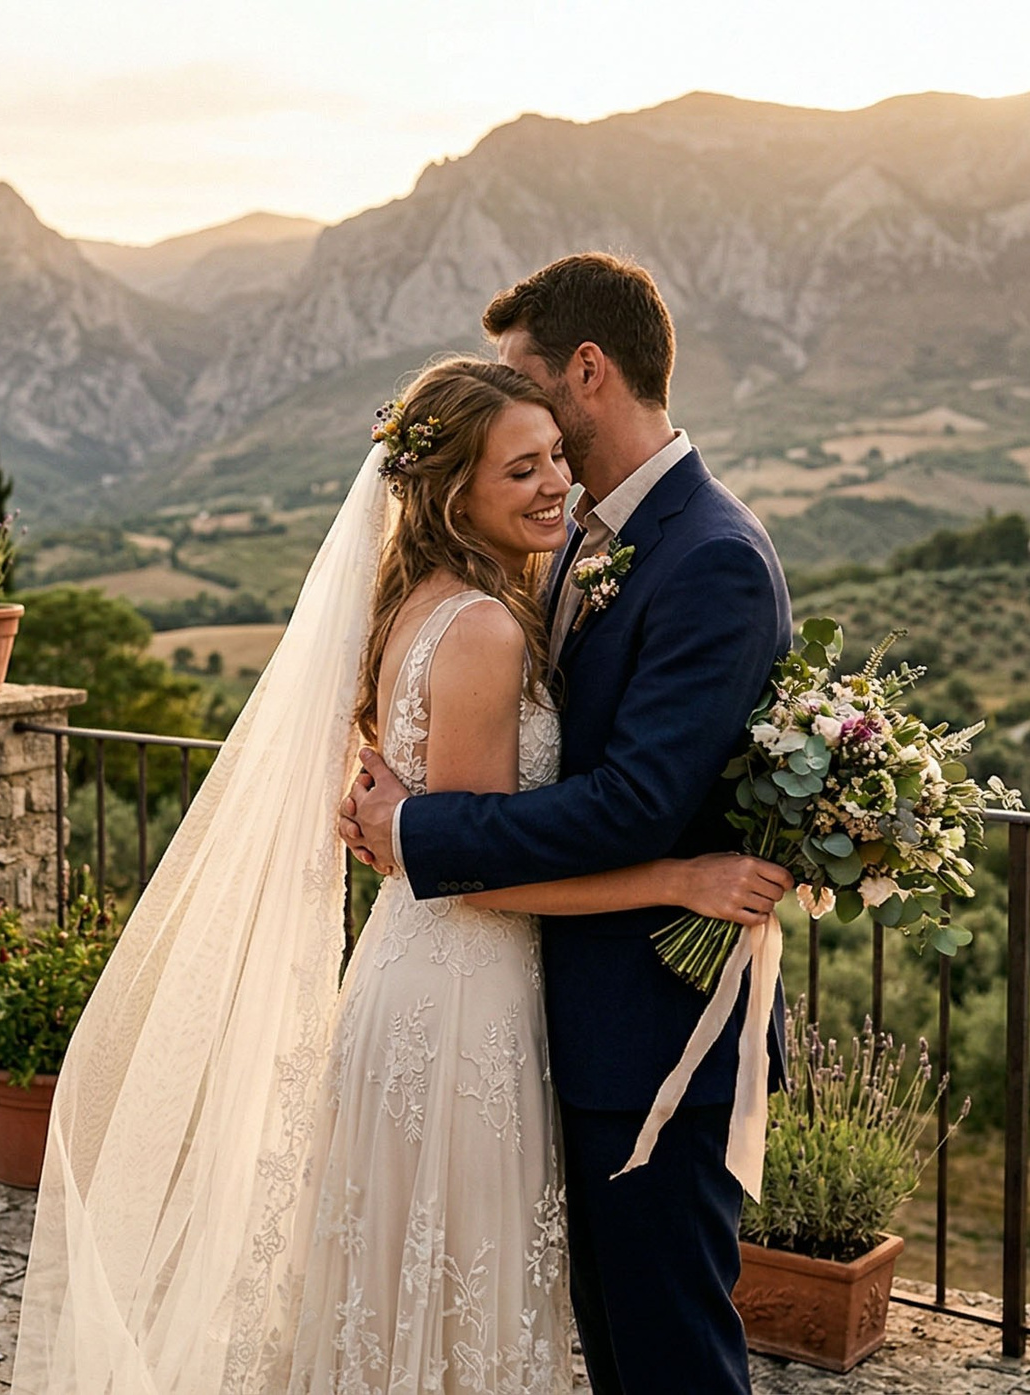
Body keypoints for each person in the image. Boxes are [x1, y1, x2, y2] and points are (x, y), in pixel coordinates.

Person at [11, 322, 789, 1389]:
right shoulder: (483, 626)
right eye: (522, 467)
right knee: (452, 1310)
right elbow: (485, 878)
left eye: (552, 454)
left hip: (443, 990)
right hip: (457, 1005)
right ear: (452, 494)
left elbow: (495, 828)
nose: (556, 482)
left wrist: (413, 831)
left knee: (422, 1304)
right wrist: (675, 878)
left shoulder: (451, 597)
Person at [340, 254, 793, 1395]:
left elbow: (634, 802)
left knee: (669, 1356)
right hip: (542, 1021)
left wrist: (420, 833)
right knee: (609, 1344)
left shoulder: (710, 555)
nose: (525, 422)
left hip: (650, 1034)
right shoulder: (578, 542)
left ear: (586, 369)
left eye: (526, 379)